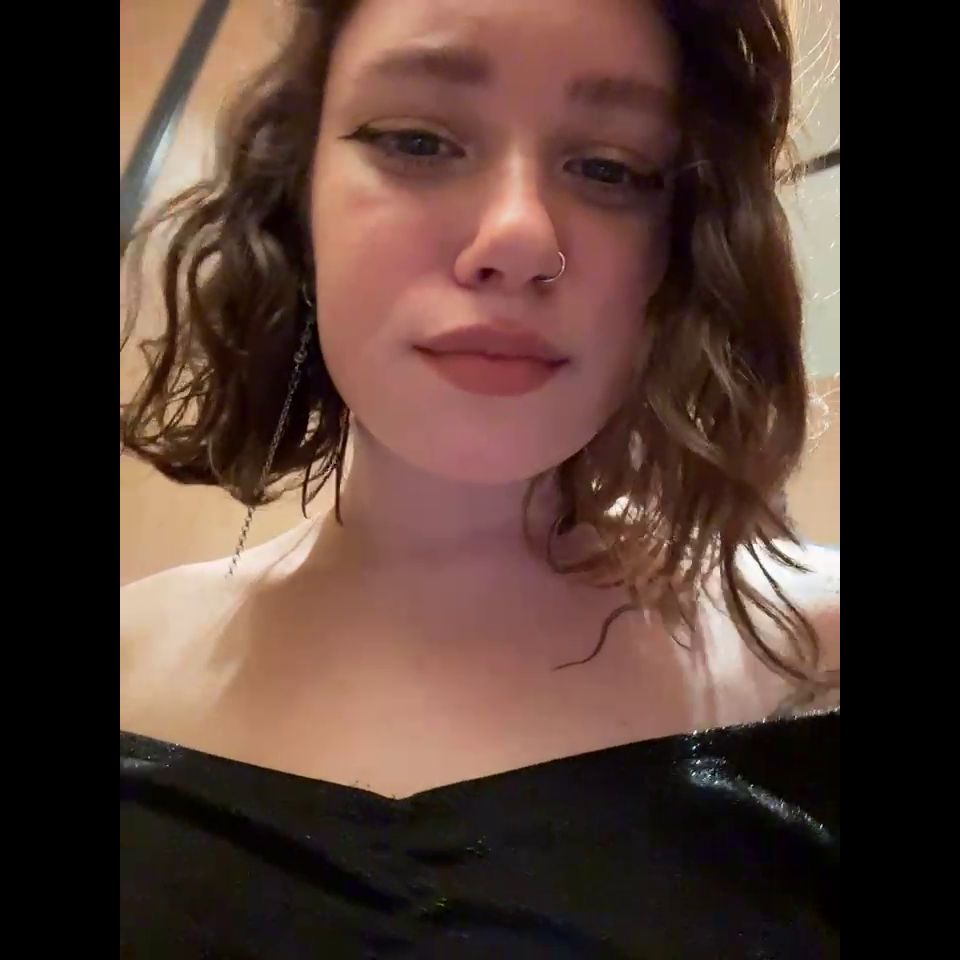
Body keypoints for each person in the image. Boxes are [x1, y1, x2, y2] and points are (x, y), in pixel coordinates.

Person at [120, 0, 840, 954]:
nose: (517, 238)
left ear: (680, 247)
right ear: (296, 198)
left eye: (611, 168)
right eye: (417, 141)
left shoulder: (821, 664)